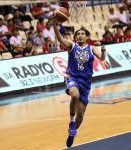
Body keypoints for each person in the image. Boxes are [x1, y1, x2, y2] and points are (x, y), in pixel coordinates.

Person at [52, 18, 106, 148]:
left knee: (81, 114)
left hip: (86, 82)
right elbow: (59, 39)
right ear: (75, 37)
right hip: (72, 78)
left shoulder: (92, 48)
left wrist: (103, 52)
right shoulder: (72, 46)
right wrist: (54, 25)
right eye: (78, 34)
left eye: (82, 34)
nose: (80, 35)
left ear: (87, 37)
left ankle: (72, 133)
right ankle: (71, 121)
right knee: (74, 95)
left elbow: (102, 58)